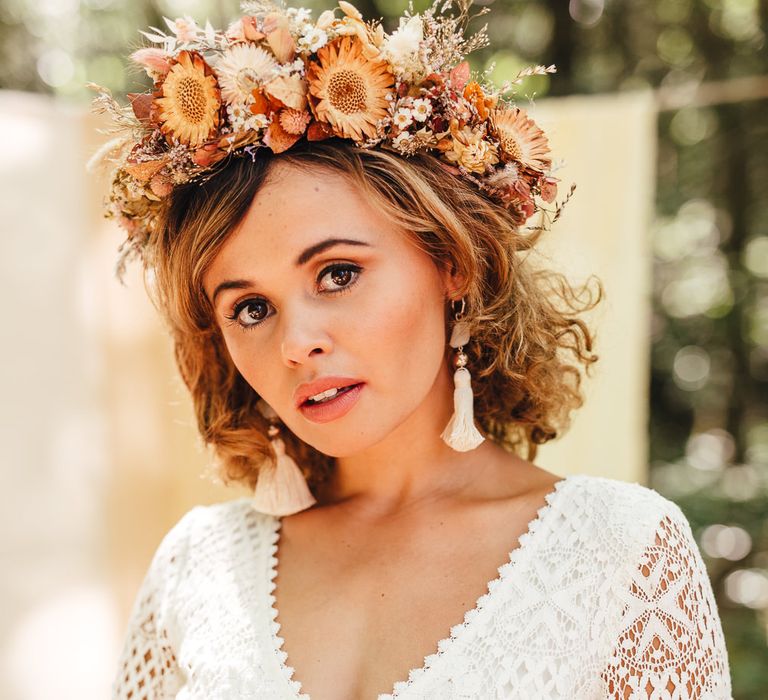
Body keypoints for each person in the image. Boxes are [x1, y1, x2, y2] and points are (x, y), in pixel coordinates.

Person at [91, 1, 733, 698]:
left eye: (338, 274)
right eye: (250, 308)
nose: (298, 343)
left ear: (451, 263)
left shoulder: (620, 551)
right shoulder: (198, 565)